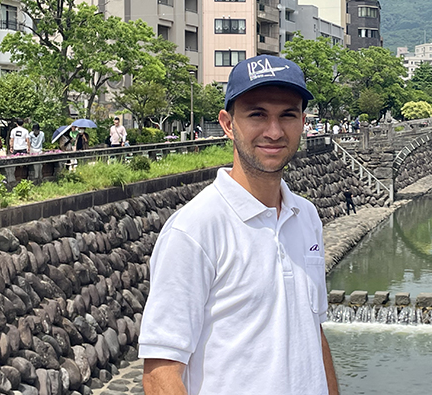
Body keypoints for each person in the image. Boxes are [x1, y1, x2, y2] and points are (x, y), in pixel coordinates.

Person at [139, 55, 338, 395]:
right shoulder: (195, 229)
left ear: (303, 122)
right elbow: (161, 371)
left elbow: (313, 331)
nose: (274, 131)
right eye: (257, 114)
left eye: (287, 115)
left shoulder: (305, 217)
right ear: (228, 124)